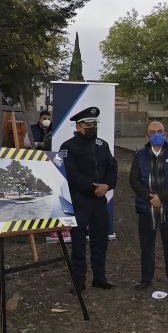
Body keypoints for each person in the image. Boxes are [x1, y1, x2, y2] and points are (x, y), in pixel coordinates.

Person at [60, 106, 118, 292]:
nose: (92, 127)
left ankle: (99, 277)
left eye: (94, 123)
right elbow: (71, 174)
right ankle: (79, 281)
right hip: (80, 201)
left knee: (100, 240)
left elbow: (112, 168)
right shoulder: (68, 147)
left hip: (100, 202)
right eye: (88, 124)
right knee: (78, 243)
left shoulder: (102, 144)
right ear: (78, 126)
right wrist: (94, 188)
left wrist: (107, 186)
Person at [129, 121, 168, 291]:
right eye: (152, 132)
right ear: (146, 136)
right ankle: (146, 278)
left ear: (166, 134)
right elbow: (134, 180)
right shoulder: (139, 156)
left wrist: (162, 198)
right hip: (146, 207)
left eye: (160, 131)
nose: (156, 135)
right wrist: (149, 198)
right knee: (147, 244)